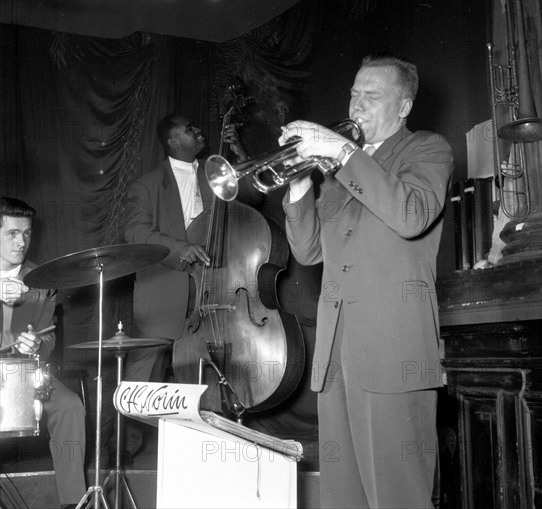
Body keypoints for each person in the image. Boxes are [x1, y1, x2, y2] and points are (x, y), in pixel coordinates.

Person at [279, 52, 454, 509]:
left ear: (403, 107)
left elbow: (409, 214)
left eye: (372, 96)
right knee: (344, 497)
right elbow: (309, 251)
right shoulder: (340, 175)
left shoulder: (427, 150)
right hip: (337, 355)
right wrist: (299, 187)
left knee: (399, 497)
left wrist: (342, 153)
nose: (357, 105)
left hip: (395, 352)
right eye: (354, 94)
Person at [121, 113, 260, 459]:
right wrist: (181, 249)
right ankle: (126, 456)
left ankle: (204, 450)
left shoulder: (214, 175)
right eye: (189, 128)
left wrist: (240, 153)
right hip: (163, 294)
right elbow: (134, 233)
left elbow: (253, 196)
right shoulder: (147, 185)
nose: (199, 129)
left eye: (197, 126)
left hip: (213, 292)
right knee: (141, 389)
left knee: (201, 379)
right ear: (171, 140)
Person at [0, 197, 87, 509]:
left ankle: (73, 501)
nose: (21, 241)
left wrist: (39, 345)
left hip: (27, 376)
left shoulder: (41, 280)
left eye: (26, 233)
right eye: (12, 233)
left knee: (70, 406)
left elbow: (48, 337)